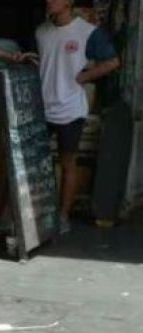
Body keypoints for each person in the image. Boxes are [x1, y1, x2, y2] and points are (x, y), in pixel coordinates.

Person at [37, 0, 120, 235]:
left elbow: (113, 61)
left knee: (67, 162)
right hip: (41, 106)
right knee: (36, 163)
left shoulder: (87, 32)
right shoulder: (41, 31)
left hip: (71, 109)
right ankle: (35, 214)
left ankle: (63, 215)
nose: (49, 1)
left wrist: (85, 77)